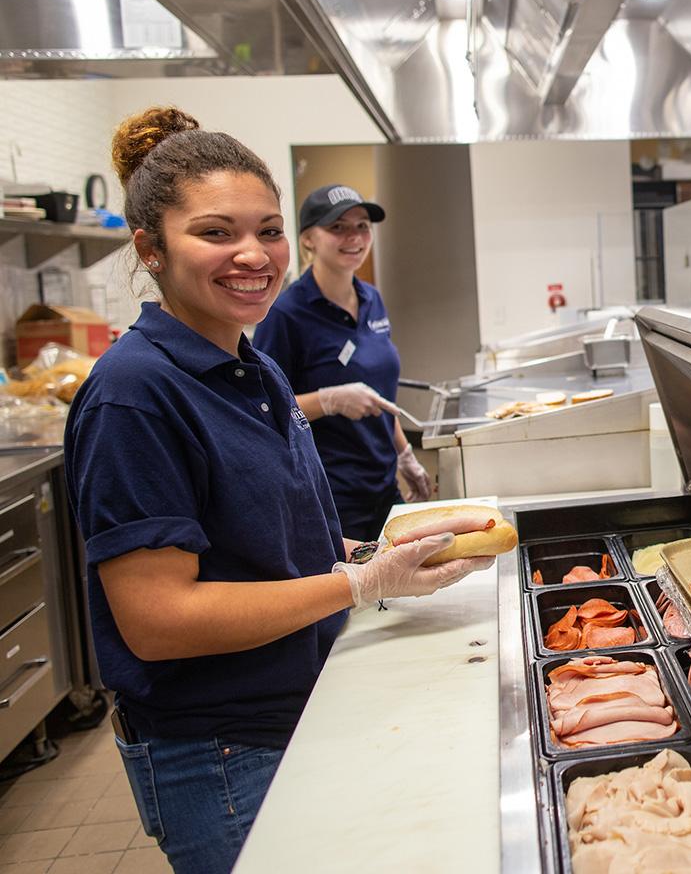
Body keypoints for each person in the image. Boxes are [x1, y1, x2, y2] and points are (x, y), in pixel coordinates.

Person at [64, 107, 492, 874]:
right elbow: (158, 621)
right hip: (220, 750)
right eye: (217, 232)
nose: (252, 254)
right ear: (149, 249)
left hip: (295, 707)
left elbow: (271, 536)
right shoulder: (134, 395)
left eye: (265, 230)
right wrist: (359, 584)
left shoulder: (251, 368)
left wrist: (385, 554)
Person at [253, 184, 430, 543]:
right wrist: (329, 400)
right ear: (308, 240)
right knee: (353, 594)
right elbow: (261, 410)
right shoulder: (286, 315)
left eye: (363, 226)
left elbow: (379, 394)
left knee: (400, 593)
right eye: (338, 227)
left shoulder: (372, 299)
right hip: (330, 494)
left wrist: (404, 454)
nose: (354, 237)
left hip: (383, 484)